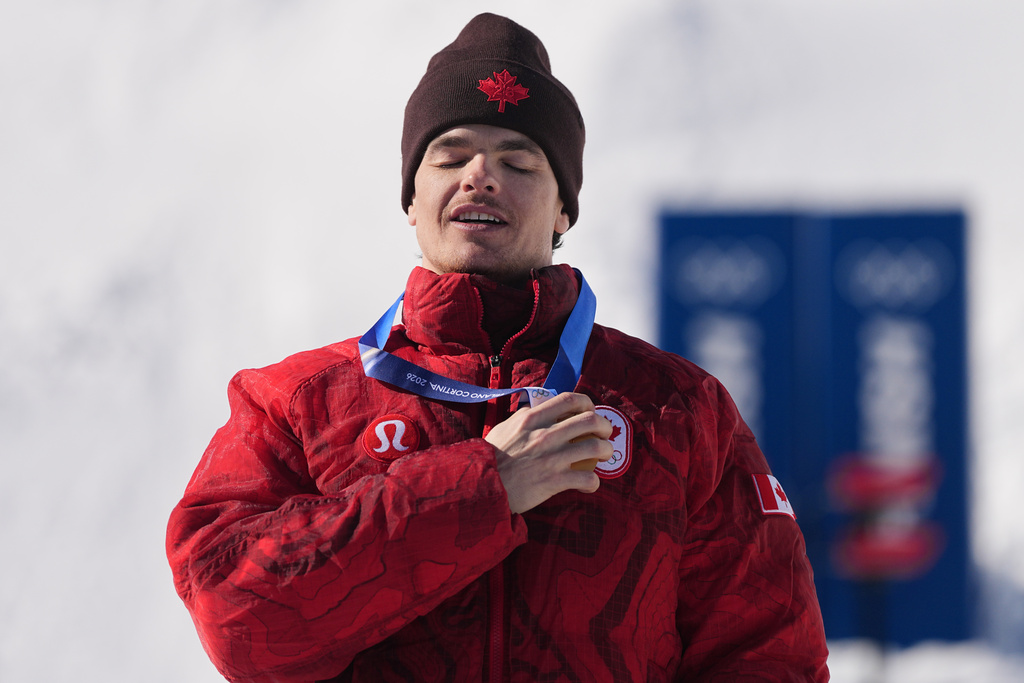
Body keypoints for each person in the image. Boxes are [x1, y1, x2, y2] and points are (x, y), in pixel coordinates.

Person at [167, 13, 829, 683]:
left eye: (519, 161)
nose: (481, 176)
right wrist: (480, 486)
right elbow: (236, 614)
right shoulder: (295, 401)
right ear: (413, 200)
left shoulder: (679, 408)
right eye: (450, 156)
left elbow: (769, 656)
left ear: (563, 210)